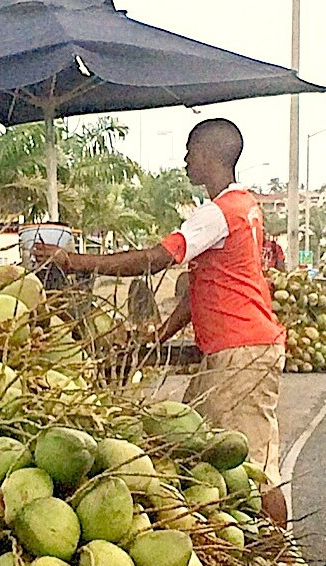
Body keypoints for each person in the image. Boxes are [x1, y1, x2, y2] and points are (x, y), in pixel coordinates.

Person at [34, 118, 287, 519]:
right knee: (194, 447)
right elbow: (201, 288)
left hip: (241, 352)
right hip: (239, 348)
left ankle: (279, 563)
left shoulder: (218, 213)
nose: (185, 160)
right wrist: (159, 335)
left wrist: (74, 261)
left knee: (252, 467)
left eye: (189, 152)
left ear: (207, 154)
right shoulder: (245, 206)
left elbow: (155, 258)